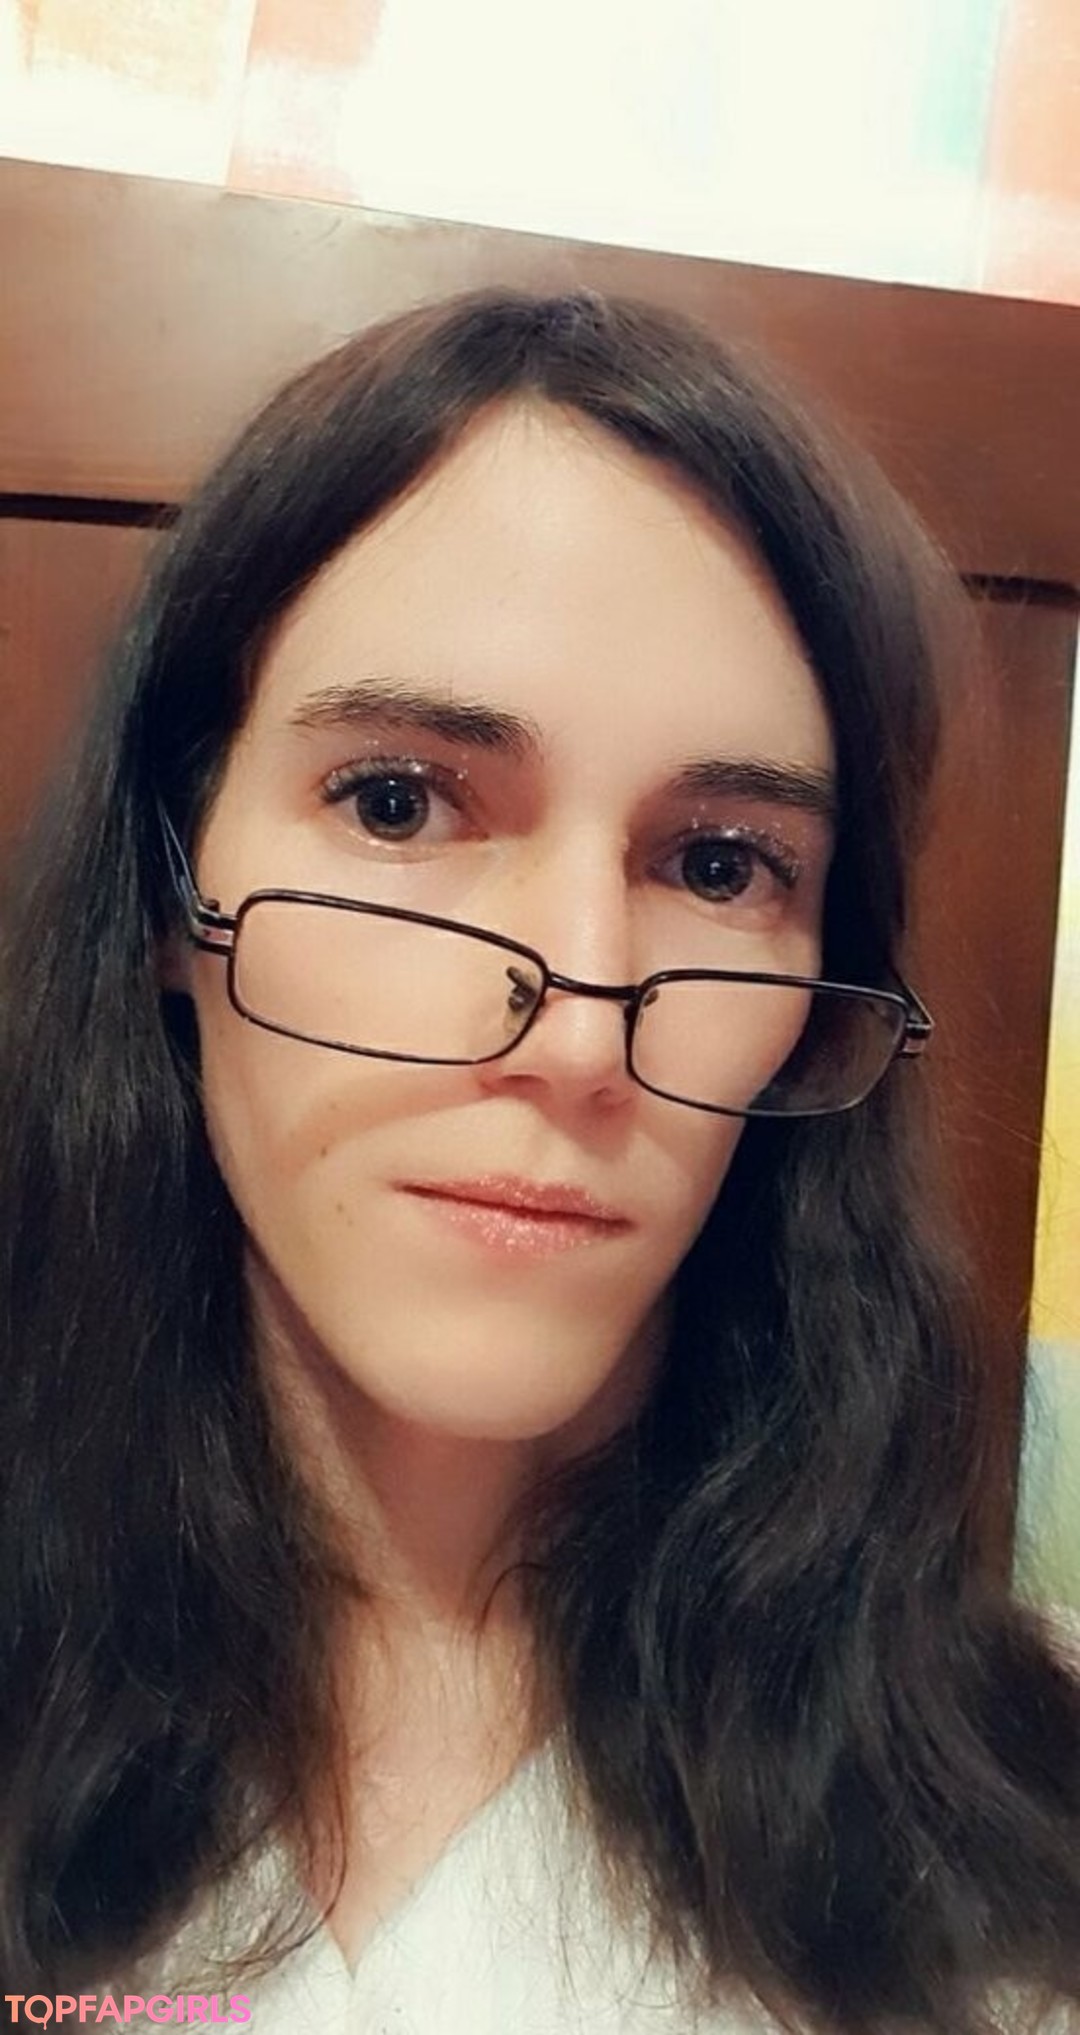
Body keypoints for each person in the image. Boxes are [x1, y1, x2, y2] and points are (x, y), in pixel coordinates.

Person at [1, 287, 1078, 2035]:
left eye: (719, 866)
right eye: (400, 803)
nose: (578, 1032)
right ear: (167, 896)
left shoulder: (1012, 1847)